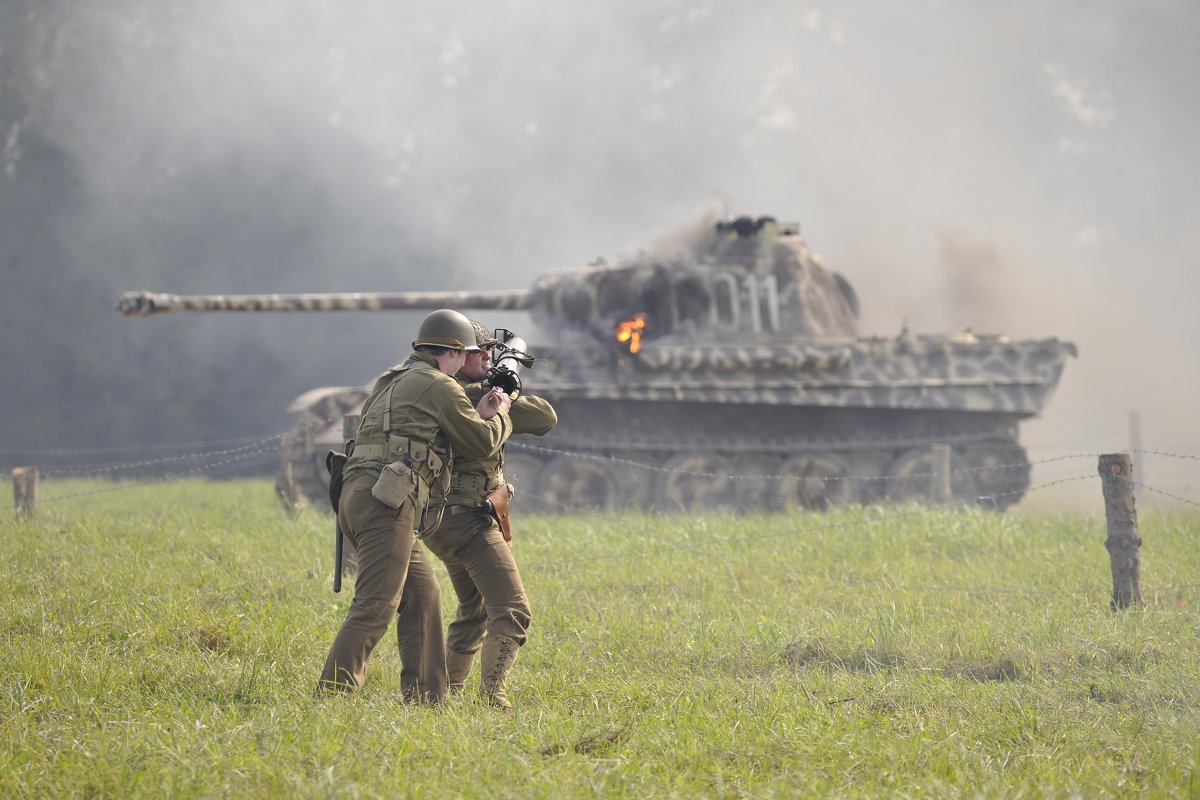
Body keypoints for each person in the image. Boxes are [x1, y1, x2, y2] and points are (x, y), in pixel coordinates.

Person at [317, 309, 512, 696]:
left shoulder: (393, 378)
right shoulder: (439, 384)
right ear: (454, 352)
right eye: (467, 353)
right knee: (376, 605)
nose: (466, 362)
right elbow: (481, 442)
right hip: (387, 501)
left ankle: (428, 698)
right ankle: (332, 696)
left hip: (357, 496)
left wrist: (477, 414)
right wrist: (500, 415)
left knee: (424, 596)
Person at [422, 319, 557, 711]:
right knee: (513, 610)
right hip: (468, 521)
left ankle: (444, 695)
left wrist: (502, 390)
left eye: (488, 351)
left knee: (474, 610)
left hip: (443, 522)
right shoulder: (455, 395)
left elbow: (544, 417)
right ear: (454, 355)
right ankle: (492, 696)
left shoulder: (446, 390)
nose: (485, 356)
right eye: (475, 351)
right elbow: (543, 418)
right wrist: (499, 395)